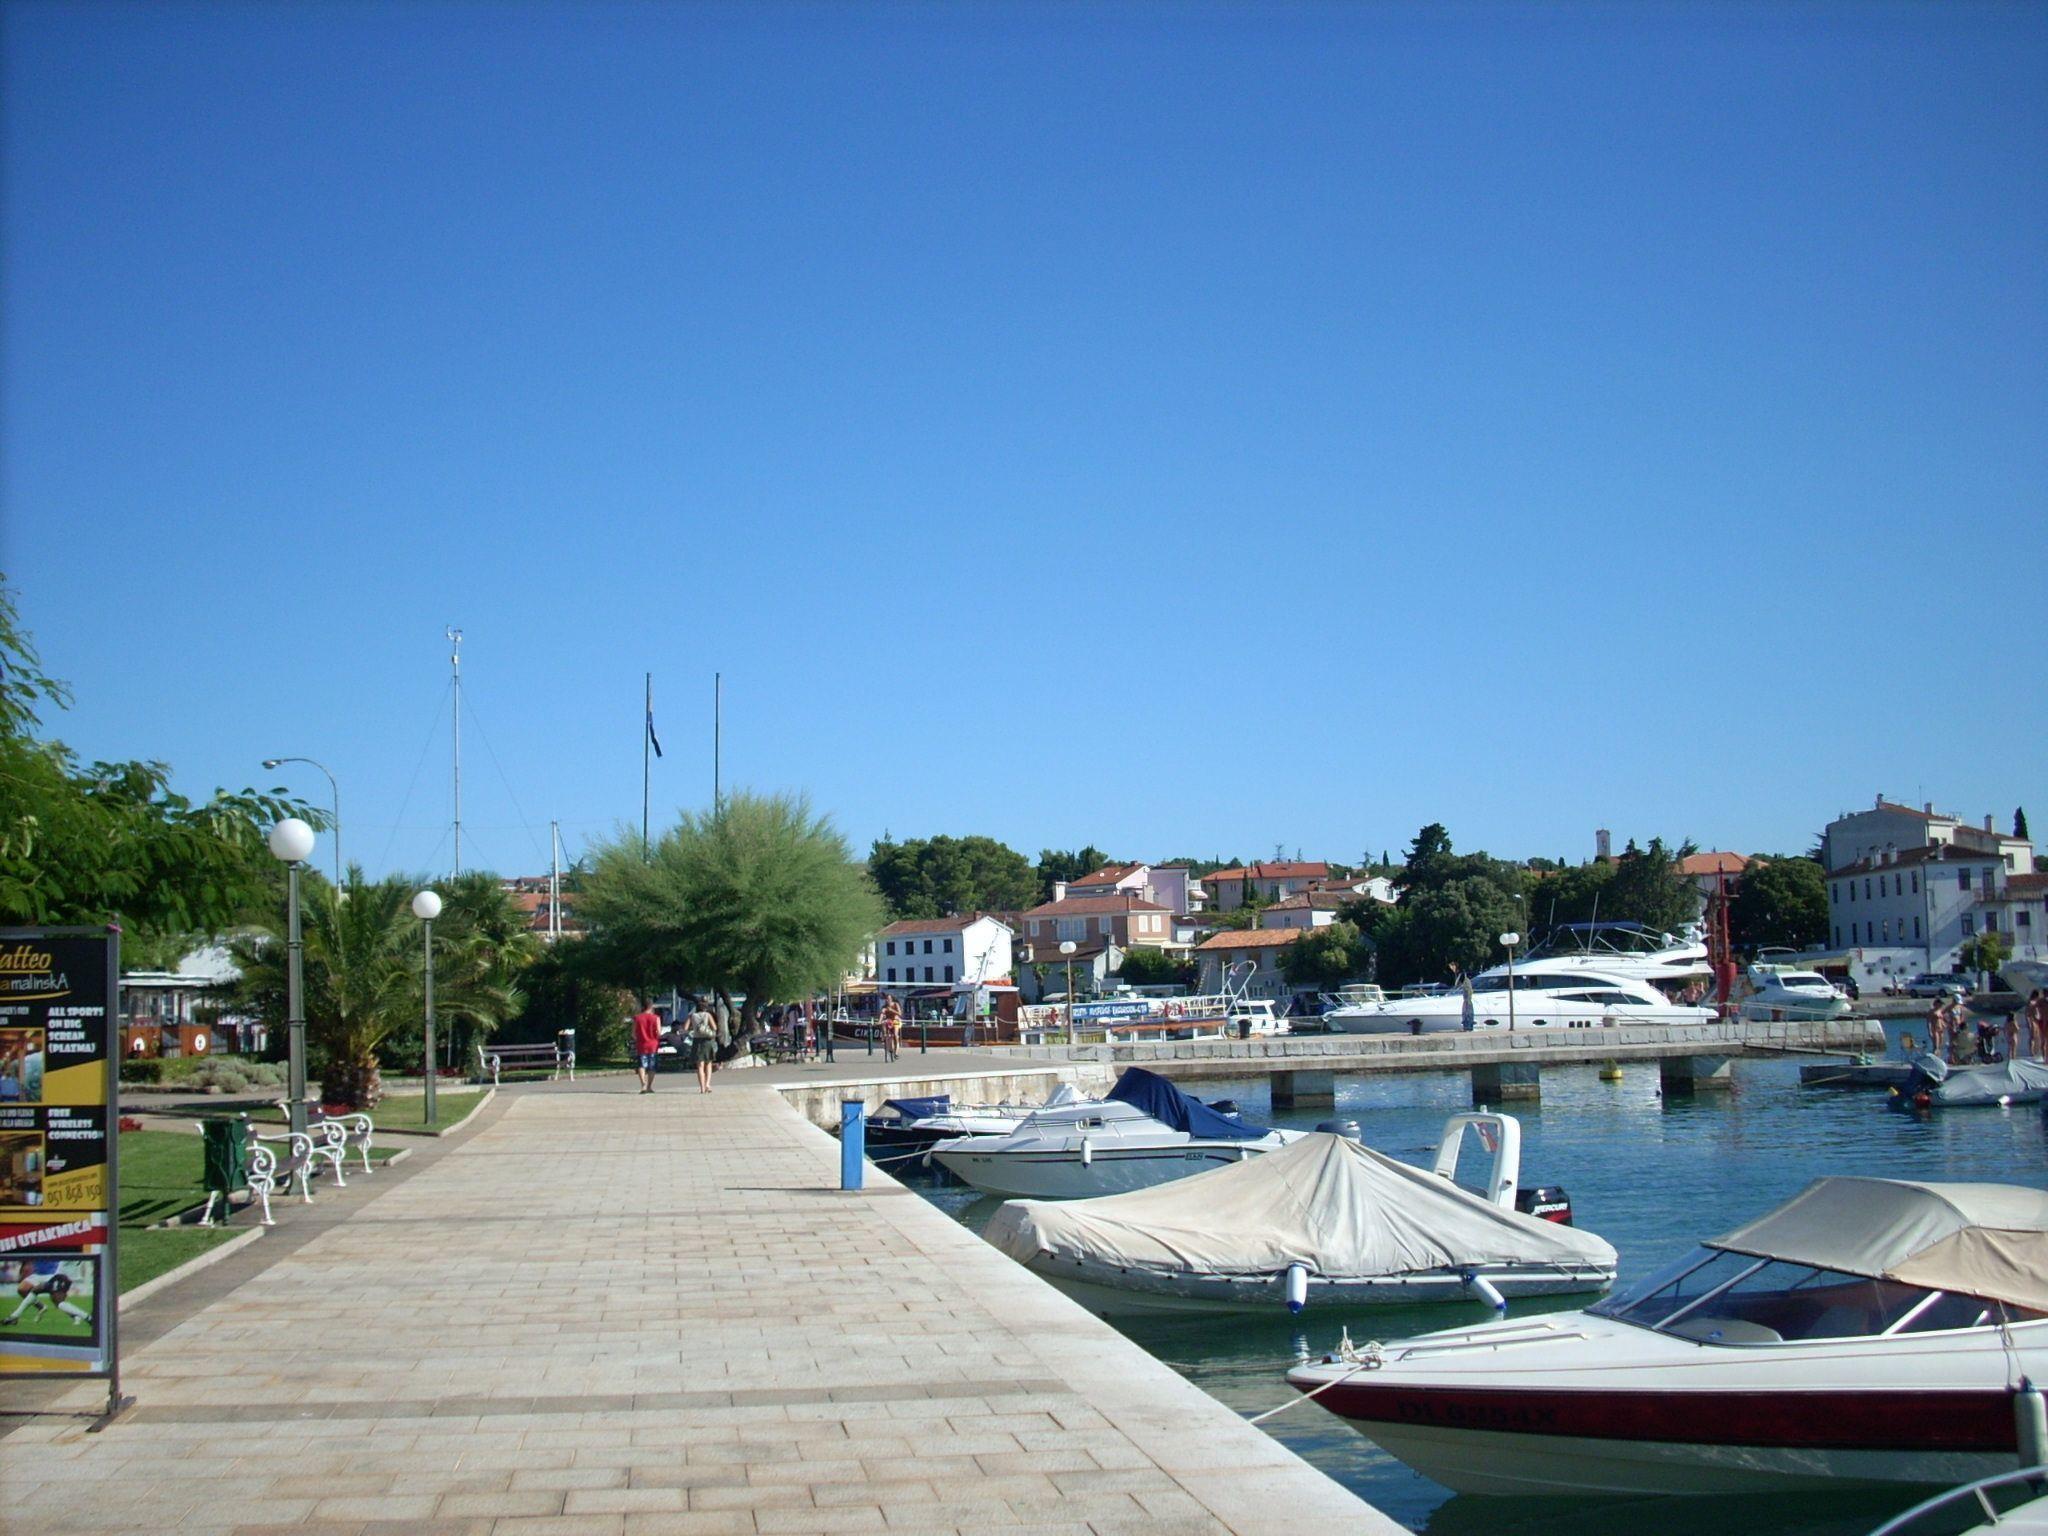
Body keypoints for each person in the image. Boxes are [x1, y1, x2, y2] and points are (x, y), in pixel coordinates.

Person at [0, 1261, 89, 1330]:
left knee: (57, 1301)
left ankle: (76, 1316)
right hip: (37, 1274)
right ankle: (38, 1308)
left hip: (52, 1274)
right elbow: (26, 1261)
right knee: (22, 1289)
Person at [686, 997, 718, 1094]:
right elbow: (714, 1027)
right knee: (708, 1063)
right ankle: (707, 1084)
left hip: (697, 1041)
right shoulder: (707, 1015)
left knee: (700, 1065)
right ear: (705, 1007)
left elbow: (685, 1027)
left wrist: (694, 1028)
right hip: (707, 1040)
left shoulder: (692, 1016)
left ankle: (702, 1088)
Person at [631, 998, 662, 1094]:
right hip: (653, 1044)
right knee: (652, 1066)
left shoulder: (637, 1018)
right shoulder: (656, 1018)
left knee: (641, 1065)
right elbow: (659, 1032)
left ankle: (643, 1084)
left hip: (641, 1044)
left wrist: (638, 1038)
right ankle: (649, 1086)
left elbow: (633, 1033)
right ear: (651, 1006)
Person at [880, 996, 901, 1063]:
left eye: (889, 999)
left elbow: (900, 1013)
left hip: (895, 1020)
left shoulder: (896, 1004)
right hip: (888, 1021)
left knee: (895, 1035)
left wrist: (892, 1010)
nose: (887, 1000)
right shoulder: (884, 1007)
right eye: (886, 999)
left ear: (891, 999)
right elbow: (882, 1014)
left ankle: (896, 1052)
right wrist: (879, 1021)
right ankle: (884, 1037)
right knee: (884, 1025)